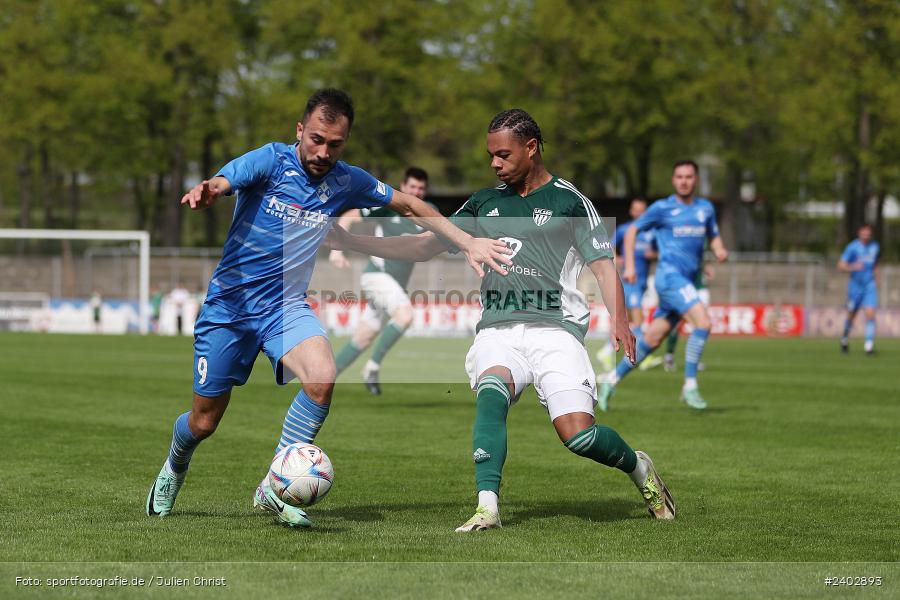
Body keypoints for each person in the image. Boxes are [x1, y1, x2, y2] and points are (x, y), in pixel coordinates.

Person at [145, 88, 511, 528]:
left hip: (284, 307)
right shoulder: (271, 161)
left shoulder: (347, 180)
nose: (323, 152)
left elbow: (411, 204)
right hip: (230, 307)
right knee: (203, 422)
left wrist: (467, 241)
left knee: (322, 378)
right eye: (316, 139)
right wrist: (210, 189)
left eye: (335, 144)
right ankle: (174, 466)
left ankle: (273, 487)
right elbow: (226, 180)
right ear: (300, 131)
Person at [328, 108, 676, 531]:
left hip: (556, 330)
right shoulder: (484, 202)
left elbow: (603, 266)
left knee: (578, 436)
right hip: (499, 328)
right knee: (491, 392)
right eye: (490, 154)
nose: (494, 163)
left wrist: (620, 319)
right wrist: (350, 240)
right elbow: (423, 246)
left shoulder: (569, 201)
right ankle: (487, 506)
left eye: (503, 154)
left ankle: (640, 469)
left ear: (532, 148)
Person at [598, 160, 728, 411]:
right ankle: (689, 386)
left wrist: (720, 250)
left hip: (686, 281)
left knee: (651, 339)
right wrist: (632, 266)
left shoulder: (705, 209)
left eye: (689, 176)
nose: (684, 181)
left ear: (696, 179)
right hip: (669, 279)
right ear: (673, 180)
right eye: (679, 176)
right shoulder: (663, 208)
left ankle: (611, 381)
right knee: (703, 323)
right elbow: (633, 230)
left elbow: (714, 236)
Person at [329, 167, 430, 394]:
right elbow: (348, 216)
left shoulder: (428, 213)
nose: (417, 192)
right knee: (405, 316)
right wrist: (337, 250)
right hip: (377, 276)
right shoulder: (389, 208)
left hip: (394, 285)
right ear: (403, 187)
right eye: (412, 186)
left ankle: (325, 378)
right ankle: (372, 368)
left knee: (364, 337)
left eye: (421, 188)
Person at [596, 197, 661, 374]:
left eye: (642, 210)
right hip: (629, 282)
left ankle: (606, 352)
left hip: (643, 282)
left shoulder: (652, 233)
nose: (639, 213)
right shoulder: (625, 230)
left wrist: (653, 254)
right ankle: (642, 357)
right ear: (632, 212)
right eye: (636, 210)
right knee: (638, 320)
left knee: (631, 321)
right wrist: (620, 260)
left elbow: (660, 251)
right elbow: (609, 248)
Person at [838, 224, 880, 355]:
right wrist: (853, 266)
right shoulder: (852, 247)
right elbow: (840, 265)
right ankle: (845, 338)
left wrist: (877, 278)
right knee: (852, 314)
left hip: (869, 286)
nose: (866, 236)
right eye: (864, 233)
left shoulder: (875, 247)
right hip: (855, 287)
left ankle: (868, 346)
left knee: (870, 314)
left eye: (868, 234)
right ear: (859, 233)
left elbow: (875, 264)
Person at [663, 264, 714, 372]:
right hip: (683, 288)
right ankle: (669, 357)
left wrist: (705, 267)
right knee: (676, 324)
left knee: (700, 326)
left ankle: (694, 360)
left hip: (700, 289)